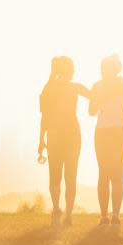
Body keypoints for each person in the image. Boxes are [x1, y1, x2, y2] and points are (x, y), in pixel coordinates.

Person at [89, 54, 123, 226]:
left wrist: (98, 99)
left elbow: (91, 112)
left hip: (104, 132)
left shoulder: (97, 86)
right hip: (119, 132)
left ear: (109, 69)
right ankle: (113, 216)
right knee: (115, 175)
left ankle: (107, 216)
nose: (102, 71)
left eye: (103, 68)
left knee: (105, 174)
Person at [39, 56, 90, 228]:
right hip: (72, 136)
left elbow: (44, 117)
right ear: (69, 70)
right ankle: (68, 214)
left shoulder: (48, 89)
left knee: (55, 175)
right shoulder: (74, 88)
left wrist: (41, 140)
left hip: (54, 136)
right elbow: (94, 97)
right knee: (71, 175)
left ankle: (56, 210)